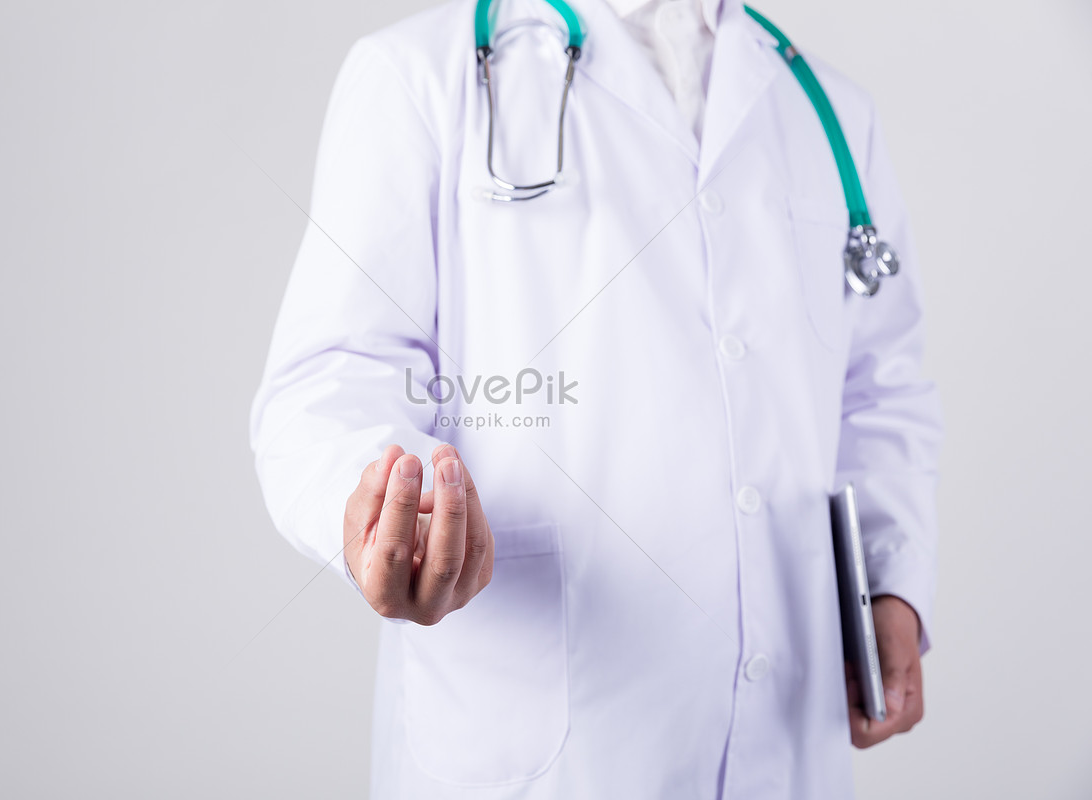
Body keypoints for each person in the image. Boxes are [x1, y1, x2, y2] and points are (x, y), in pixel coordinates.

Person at [249, 0, 943, 796]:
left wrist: (891, 581)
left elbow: (878, 385)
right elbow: (330, 375)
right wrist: (382, 514)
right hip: (548, 741)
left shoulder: (828, 113)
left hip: (787, 733)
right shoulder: (419, 74)